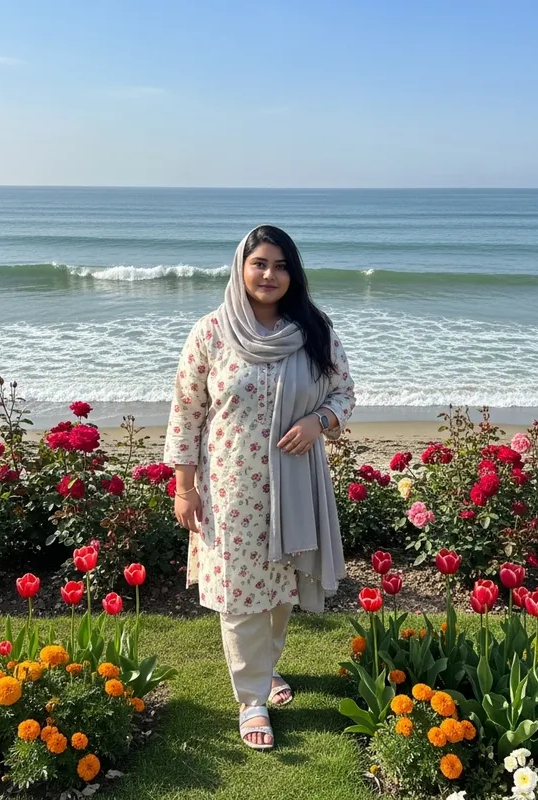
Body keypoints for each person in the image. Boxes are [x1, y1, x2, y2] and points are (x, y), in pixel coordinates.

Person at [163, 224, 355, 750]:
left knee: (281, 587)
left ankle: (266, 668)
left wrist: (320, 423)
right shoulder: (211, 333)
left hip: (295, 485)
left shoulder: (314, 331)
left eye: (281, 265)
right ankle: (251, 700)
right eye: (260, 263)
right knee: (240, 594)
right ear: (241, 268)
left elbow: (344, 393)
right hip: (230, 488)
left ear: (294, 273)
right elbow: (186, 412)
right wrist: (185, 487)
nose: (270, 274)